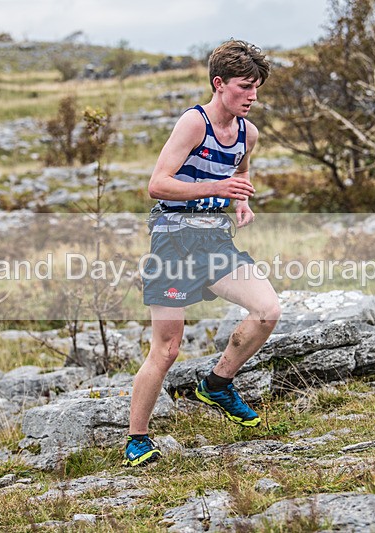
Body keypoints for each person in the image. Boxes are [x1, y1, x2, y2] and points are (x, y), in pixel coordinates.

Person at [123, 40, 282, 467]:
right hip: (173, 241)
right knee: (167, 349)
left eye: (257, 88)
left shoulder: (248, 132)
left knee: (268, 310)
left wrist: (242, 200)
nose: (252, 96)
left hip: (215, 241)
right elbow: (158, 184)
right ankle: (137, 439)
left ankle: (217, 383)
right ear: (219, 84)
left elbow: (241, 169)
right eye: (245, 86)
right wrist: (216, 188)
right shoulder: (194, 124)